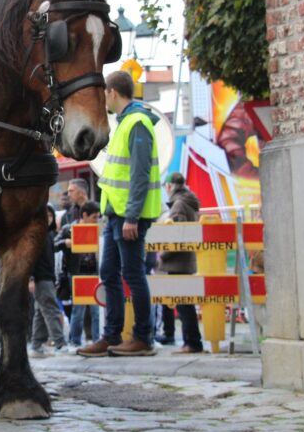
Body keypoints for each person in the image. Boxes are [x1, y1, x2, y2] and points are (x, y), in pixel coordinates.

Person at [77, 71, 162, 358]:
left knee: (133, 275)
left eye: (104, 93)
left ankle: (142, 337)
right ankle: (111, 335)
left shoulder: (136, 123)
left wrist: (132, 217)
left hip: (128, 217)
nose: (103, 98)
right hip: (116, 214)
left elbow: (139, 175)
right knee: (110, 274)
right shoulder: (125, 122)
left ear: (112, 92)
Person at [157, 171, 204, 354]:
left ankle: (191, 343)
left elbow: (177, 236)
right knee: (186, 303)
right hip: (187, 259)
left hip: (177, 261)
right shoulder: (189, 202)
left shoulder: (178, 205)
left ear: (169, 186)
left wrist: (163, 255)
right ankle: (192, 341)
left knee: (184, 305)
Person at [58, 200, 101, 348]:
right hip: (77, 273)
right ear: (85, 215)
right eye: (94, 217)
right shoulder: (70, 229)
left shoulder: (98, 230)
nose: (96, 221)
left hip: (94, 272)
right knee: (79, 309)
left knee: (96, 310)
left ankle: (96, 341)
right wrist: (65, 242)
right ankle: (75, 341)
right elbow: (54, 244)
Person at [29, 204, 66, 356]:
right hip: (41, 278)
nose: (48, 218)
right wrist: (31, 278)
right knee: (51, 310)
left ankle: (36, 345)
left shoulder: (47, 234)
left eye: (50, 215)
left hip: (46, 278)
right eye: (45, 215)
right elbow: (30, 259)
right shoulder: (36, 235)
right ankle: (60, 344)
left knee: (40, 312)